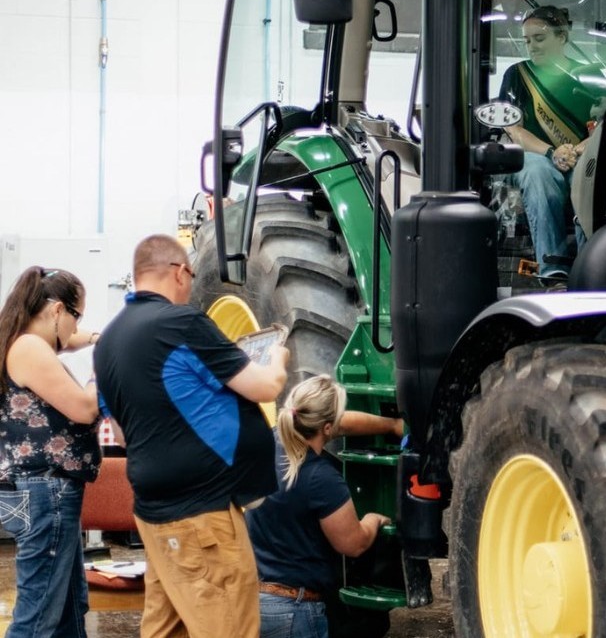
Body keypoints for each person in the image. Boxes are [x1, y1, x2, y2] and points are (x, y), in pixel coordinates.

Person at [93, 234, 290, 638]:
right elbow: (266, 387)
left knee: (167, 628)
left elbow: (125, 435)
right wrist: (278, 358)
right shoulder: (182, 324)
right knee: (229, 628)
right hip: (202, 518)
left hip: (154, 515)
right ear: (181, 272)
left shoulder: (108, 343)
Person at [246, 375, 402, 638]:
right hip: (295, 612)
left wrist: (391, 425)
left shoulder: (267, 443)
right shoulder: (320, 478)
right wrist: (373, 520)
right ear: (327, 428)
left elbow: (337, 424)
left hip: (256, 602)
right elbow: (353, 544)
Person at [0, 267, 102, 638]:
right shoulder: (29, 348)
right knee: (38, 617)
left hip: (44, 490)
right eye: (77, 316)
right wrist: (103, 366)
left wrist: (98, 337)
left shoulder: (18, 338)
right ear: (57, 310)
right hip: (46, 492)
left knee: (68, 613)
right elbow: (85, 409)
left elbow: (71, 340)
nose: (77, 329)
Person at [498, 4, 595, 282]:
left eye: (539, 38)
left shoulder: (588, 76)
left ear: (561, 37)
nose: (532, 46)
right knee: (539, 172)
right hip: (534, 156)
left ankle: (590, 269)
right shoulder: (517, 75)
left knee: (588, 175)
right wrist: (553, 152)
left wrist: (576, 150)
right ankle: (553, 271)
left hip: (580, 154)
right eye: (527, 41)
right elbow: (514, 130)